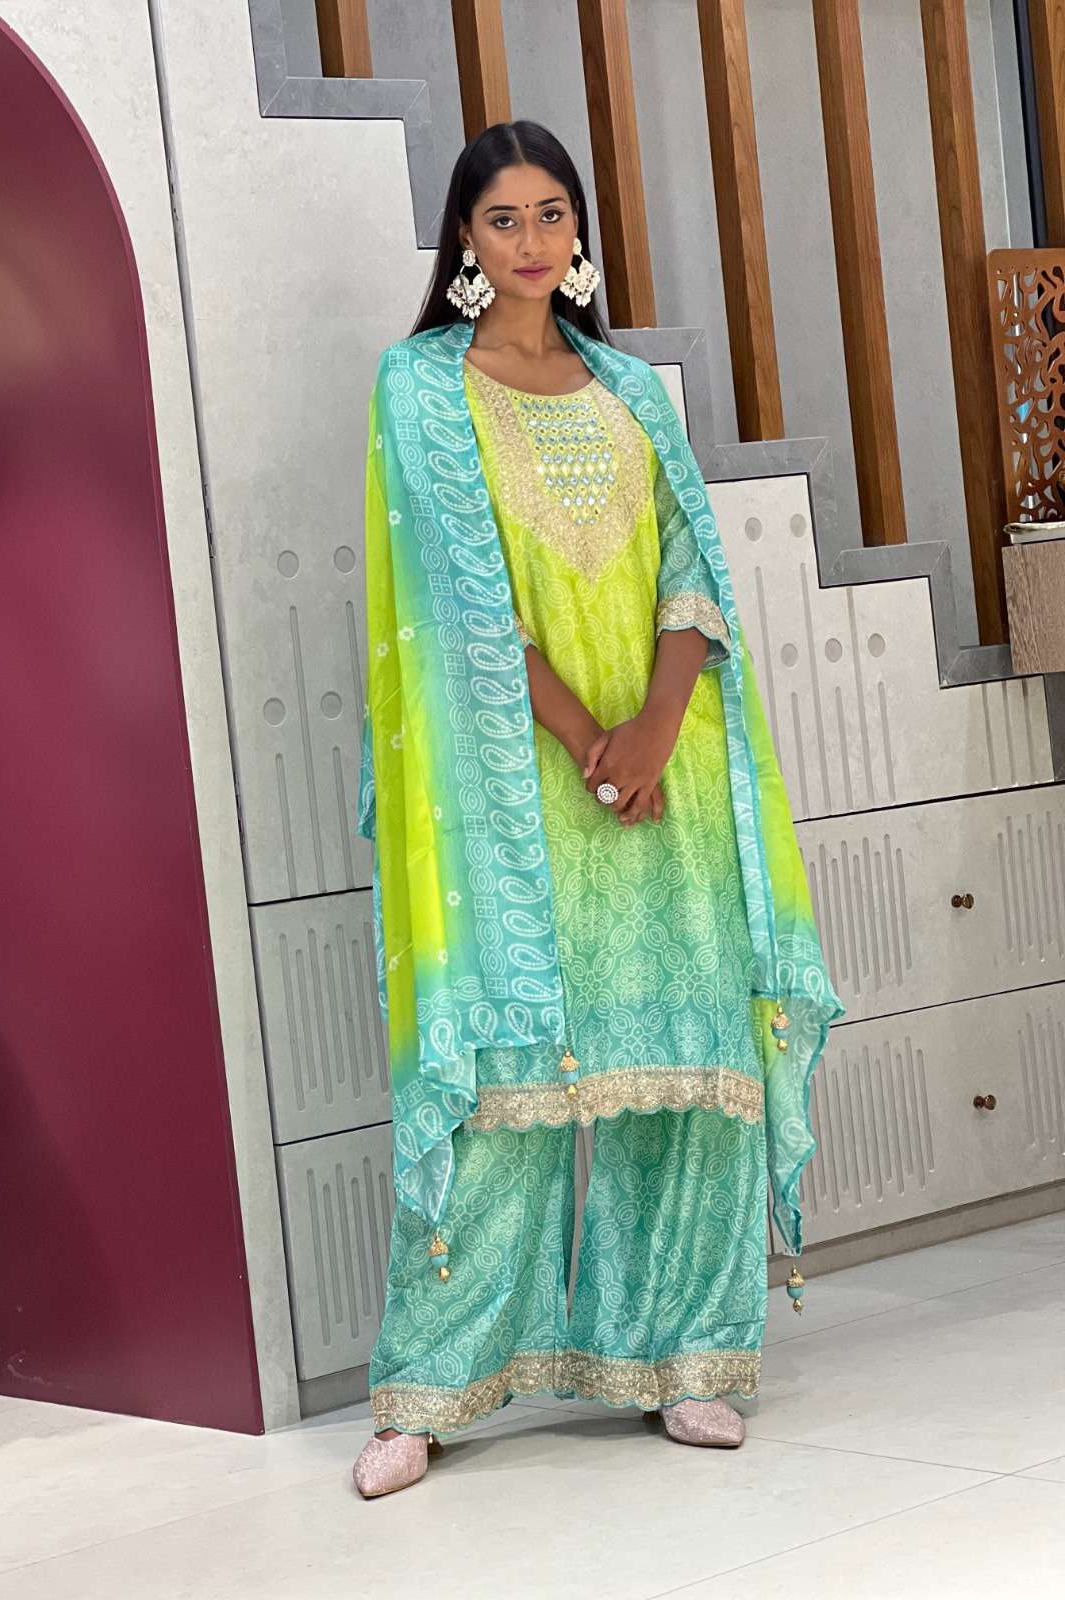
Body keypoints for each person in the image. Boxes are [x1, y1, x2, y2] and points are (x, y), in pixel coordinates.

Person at [352, 120, 842, 1499]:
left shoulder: (630, 389)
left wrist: (658, 724)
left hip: (666, 769)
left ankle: (685, 1359)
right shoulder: (419, 388)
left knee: (689, 1069)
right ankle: (432, 1385)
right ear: (462, 239)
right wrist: (587, 740)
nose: (531, 241)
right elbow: (456, 600)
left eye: (551, 213)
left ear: (581, 230)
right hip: (515, 787)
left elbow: (693, 562)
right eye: (502, 218)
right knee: (507, 1082)